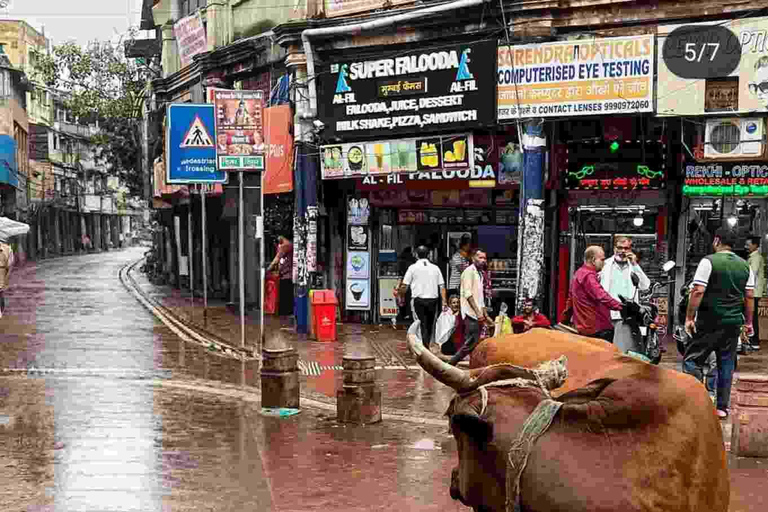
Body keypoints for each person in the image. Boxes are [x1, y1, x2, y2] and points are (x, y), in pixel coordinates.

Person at [685, 227, 755, 419]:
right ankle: (721, 408)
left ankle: (694, 402)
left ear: (716, 241)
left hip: (709, 321)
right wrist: (748, 323)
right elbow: (749, 296)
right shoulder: (745, 265)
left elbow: (698, 290)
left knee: (692, 360)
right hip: (733, 323)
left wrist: (690, 317)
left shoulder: (708, 261)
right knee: (726, 364)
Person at [599, 236, 651, 353]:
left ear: (630, 249)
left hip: (627, 315)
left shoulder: (633, 266)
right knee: (606, 349)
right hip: (607, 314)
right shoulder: (605, 265)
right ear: (614, 249)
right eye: (620, 248)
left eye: (626, 248)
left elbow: (645, 285)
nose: (622, 251)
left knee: (625, 350)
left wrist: (635, 264)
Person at [563, 246, 624, 342]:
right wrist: (622, 307)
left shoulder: (578, 273)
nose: (604, 263)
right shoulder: (588, 275)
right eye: (602, 260)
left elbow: (570, 300)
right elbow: (601, 296)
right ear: (593, 260)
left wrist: (564, 320)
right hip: (597, 328)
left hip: (584, 328)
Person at [449, 248, 493, 365]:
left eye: (484, 258)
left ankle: (471, 364)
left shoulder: (480, 274)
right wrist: (478, 313)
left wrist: (485, 314)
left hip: (477, 313)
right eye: (480, 257)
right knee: (471, 343)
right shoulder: (468, 272)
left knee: (474, 342)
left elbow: (480, 298)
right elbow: (468, 294)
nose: (483, 260)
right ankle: (450, 364)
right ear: (473, 258)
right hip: (470, 313)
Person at [400, 245, 447, 348]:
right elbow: (442, 286)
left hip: (418, 300)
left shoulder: (412, 268)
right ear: (429, 254)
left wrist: (401, 296)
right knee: (430, 324)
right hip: (433, 300)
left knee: (419, 323)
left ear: (416, 255)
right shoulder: (436, 268)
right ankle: (426, 345)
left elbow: (404, 285)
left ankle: (421, 346)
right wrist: (444, 302)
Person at [746, 234, 765, 350]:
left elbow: (751, 273)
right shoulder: (753, 257)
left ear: (755, 245)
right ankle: (751, 340)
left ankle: (754, 341)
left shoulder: (756, 258)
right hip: (753, 292)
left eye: (748, 245)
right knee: (751, 317)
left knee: (752, 317)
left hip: (754, 292)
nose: (746, 246)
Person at [268, 235, 294, 317]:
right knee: (286, 294)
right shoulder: (288, 245)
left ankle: (285, 313)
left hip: (287, 274)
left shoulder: (286, 245)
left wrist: (268, 269)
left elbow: (277, 259)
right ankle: (286, 312)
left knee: (284, 294)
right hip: (287, 274)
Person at [0, 235, 14, 317]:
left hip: (2, 272)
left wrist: (6, 279)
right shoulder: (7, 249)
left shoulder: (7, 249)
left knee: (0, 293)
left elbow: (10, 266)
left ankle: (1, 312)